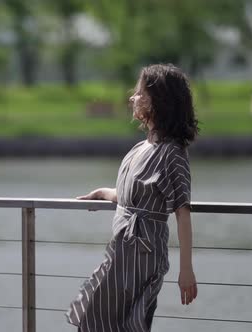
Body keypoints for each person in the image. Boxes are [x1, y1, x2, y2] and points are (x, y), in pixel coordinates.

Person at [65, 63, 199, 331]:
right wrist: (101, 193)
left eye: (139, 93)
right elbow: (129, 197)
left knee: (122, 322)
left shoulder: (172, 153)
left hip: (143, 254)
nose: (132, 98)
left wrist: (187, 270)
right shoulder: (141, 147)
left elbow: (182, 213)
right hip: (121, 251)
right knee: (98, 317)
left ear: (158, 101)